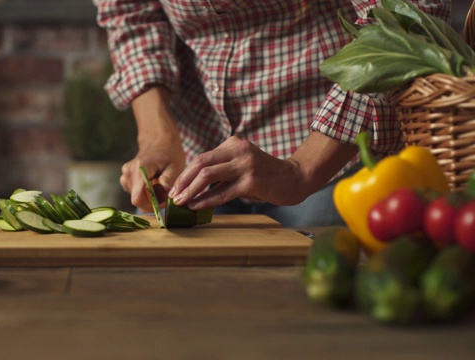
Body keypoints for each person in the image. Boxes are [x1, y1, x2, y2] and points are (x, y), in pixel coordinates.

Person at [93, 0, 451, 227]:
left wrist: (302, 169)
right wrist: (158, 137)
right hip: (194, 161)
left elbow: (402, 19)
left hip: (334, 164)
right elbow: (131, 16)